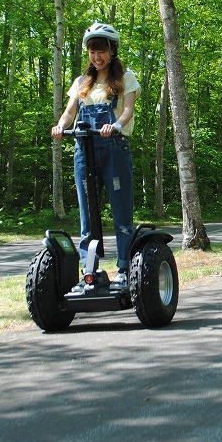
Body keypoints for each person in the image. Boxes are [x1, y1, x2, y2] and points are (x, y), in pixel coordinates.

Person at [52, 23, 141, 288]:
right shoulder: (81, 82)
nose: (97, 56)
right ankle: (89, 272)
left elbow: (127, 111)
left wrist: (114, 126)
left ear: (112, 51)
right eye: (92, 51)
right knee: (87, 214)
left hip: (114, 149)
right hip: (84, 150)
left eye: (101, 50)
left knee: (120, 211)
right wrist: (60, 126)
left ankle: (125, 269)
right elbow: (70, 112)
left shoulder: (126, 77)